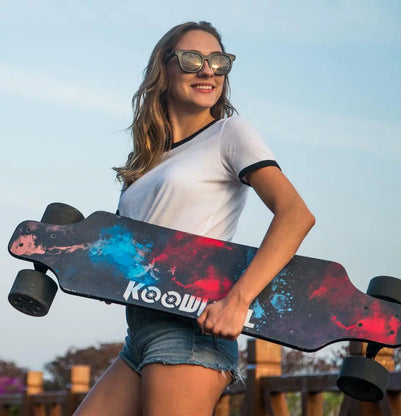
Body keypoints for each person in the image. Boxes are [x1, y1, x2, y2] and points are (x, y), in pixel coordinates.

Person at [74, 21, 315, 416]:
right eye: (192, 59)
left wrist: (238, 301)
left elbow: (296, 216)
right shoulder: (146, 163)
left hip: (191, 330)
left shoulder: (230, 133)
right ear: (163, 71)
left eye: (218, 61)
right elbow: (131, 256)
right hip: (140, 334)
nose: (208, 70)